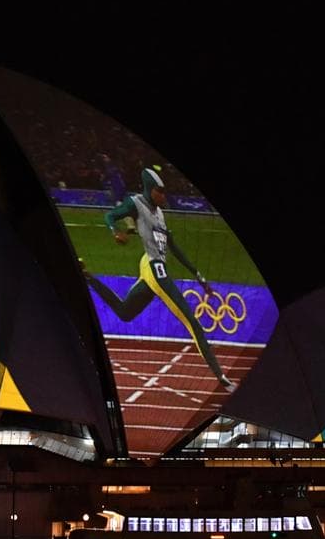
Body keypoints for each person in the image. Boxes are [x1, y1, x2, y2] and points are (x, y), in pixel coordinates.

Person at [82, 165, 235, 392]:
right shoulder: (136, 203)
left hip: (151, 265)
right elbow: (110, 215)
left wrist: (199, 277)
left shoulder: (161, 214)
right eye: (161, 191)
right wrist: (115, 231)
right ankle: (222, 378)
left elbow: (174, 248)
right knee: (192, 322)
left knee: (125, 313)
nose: (165, 196)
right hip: (153, 267)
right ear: (150, 190)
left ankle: (86, 276)